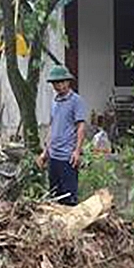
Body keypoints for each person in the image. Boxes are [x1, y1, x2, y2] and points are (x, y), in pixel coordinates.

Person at [36, 65, 87, 205]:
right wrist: (45, 153)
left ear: (68, 82)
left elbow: (81, 127)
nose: (59, 86)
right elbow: (52, 128)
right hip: (54, 157)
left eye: (61, 82)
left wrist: (77, 151)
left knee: (69, 199)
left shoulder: (76, 101)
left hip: (67, 157)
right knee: (54, 198)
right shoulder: (54, 103)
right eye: (56, 83)